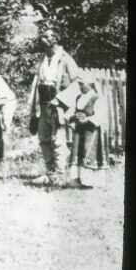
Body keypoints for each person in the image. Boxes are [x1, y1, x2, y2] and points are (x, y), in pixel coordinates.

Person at [28, 27, 81, 186]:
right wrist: (32, 106)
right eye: (42, 36)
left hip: (58, 105)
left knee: (58, 140)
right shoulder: (42, 59)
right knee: (43, 138)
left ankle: (59, 174)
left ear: (55, 39)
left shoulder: (66, 59)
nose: (43, 39)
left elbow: (76, 82)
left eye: (47, 36)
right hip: (43, 104)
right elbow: (37, 82)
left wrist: (61, 100)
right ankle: (50, 173)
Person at [69, 74, 103, 184]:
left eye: (82, 84)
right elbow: (73, 111)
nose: (80, 87)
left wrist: (88, 119)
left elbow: (99, 116)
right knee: (77, 151)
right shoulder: (78, 97)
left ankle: (89, 181)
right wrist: (73, 117)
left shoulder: (96, 97)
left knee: (88, 151)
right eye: (79, 84)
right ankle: (77, 179)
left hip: (90, 130)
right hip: (79, 129)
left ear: (90, 84)